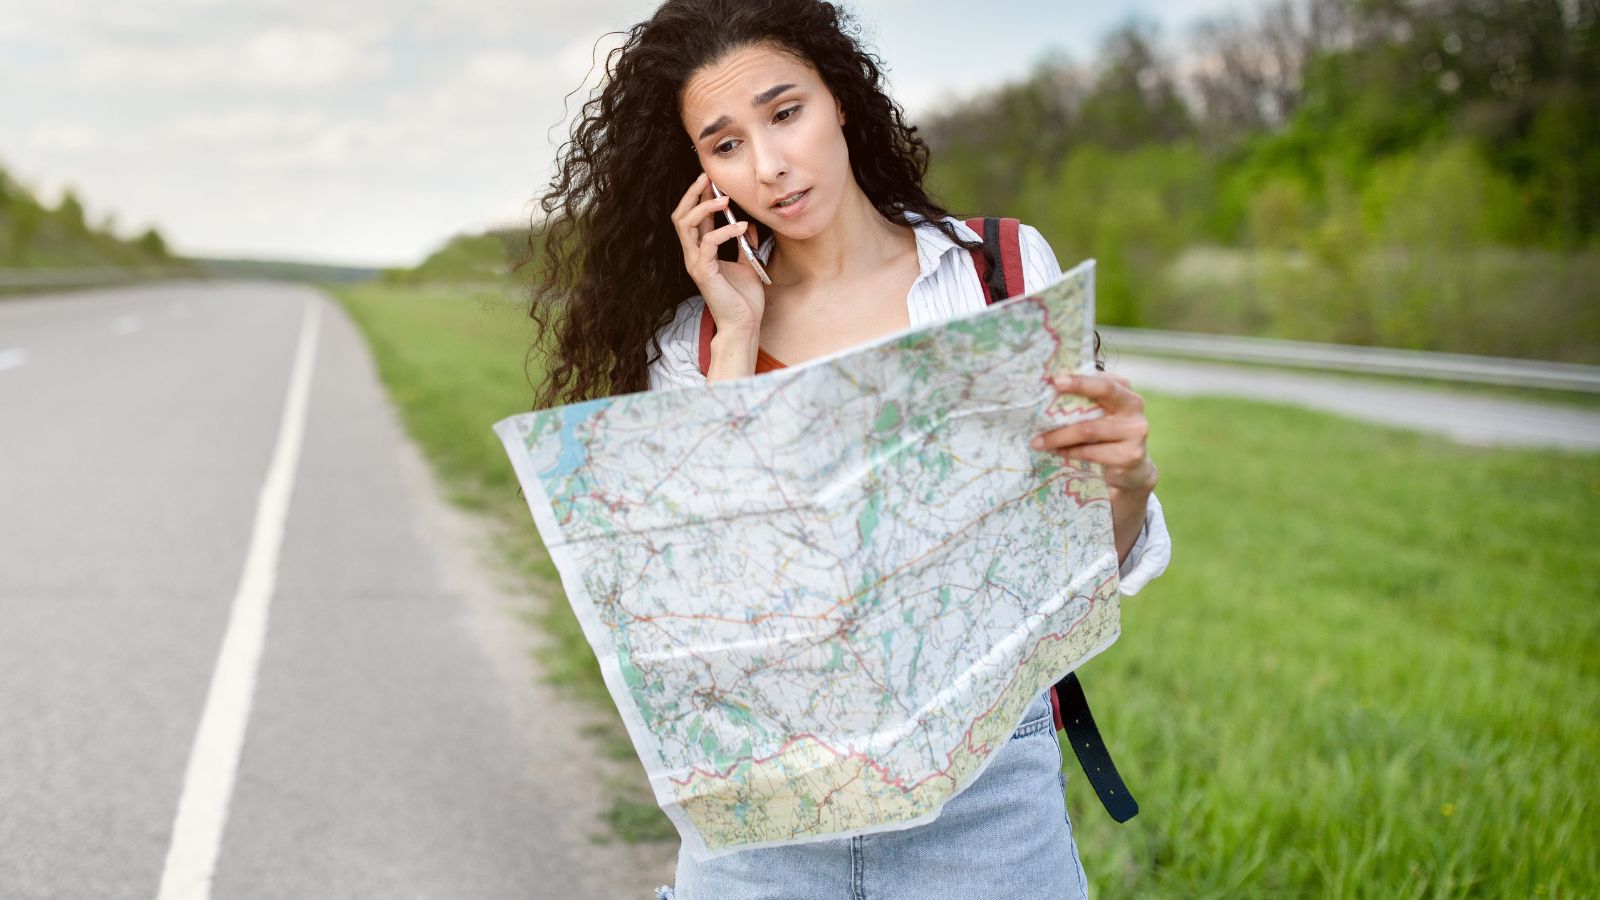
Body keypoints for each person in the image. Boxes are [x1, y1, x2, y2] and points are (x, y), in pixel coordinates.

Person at [526, 1, 1172, 896]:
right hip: (766, 804)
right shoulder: (693, 344)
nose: (769, 165)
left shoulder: (998, 272)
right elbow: (709, 607)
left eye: (785, 113)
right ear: (701, 176)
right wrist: (737, 338)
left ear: (838, 98)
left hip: (984, 792)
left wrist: (1128, 480)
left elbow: (1076, 567)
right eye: (726, 144)